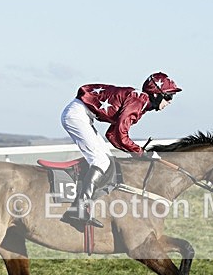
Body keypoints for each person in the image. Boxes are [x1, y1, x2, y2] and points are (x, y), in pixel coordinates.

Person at [60, 72, 182, 228]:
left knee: (107, 160)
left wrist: (138, 152)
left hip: (83, 115)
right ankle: (78, 208)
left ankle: (86, 206)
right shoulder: (139, 101)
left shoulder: (140, 102)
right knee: (101, 161)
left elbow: (112, 134)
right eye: (168, 97)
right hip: (77, 115)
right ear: (157, 94)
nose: (170, 102)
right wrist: (141, 153)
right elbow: (119, 135)